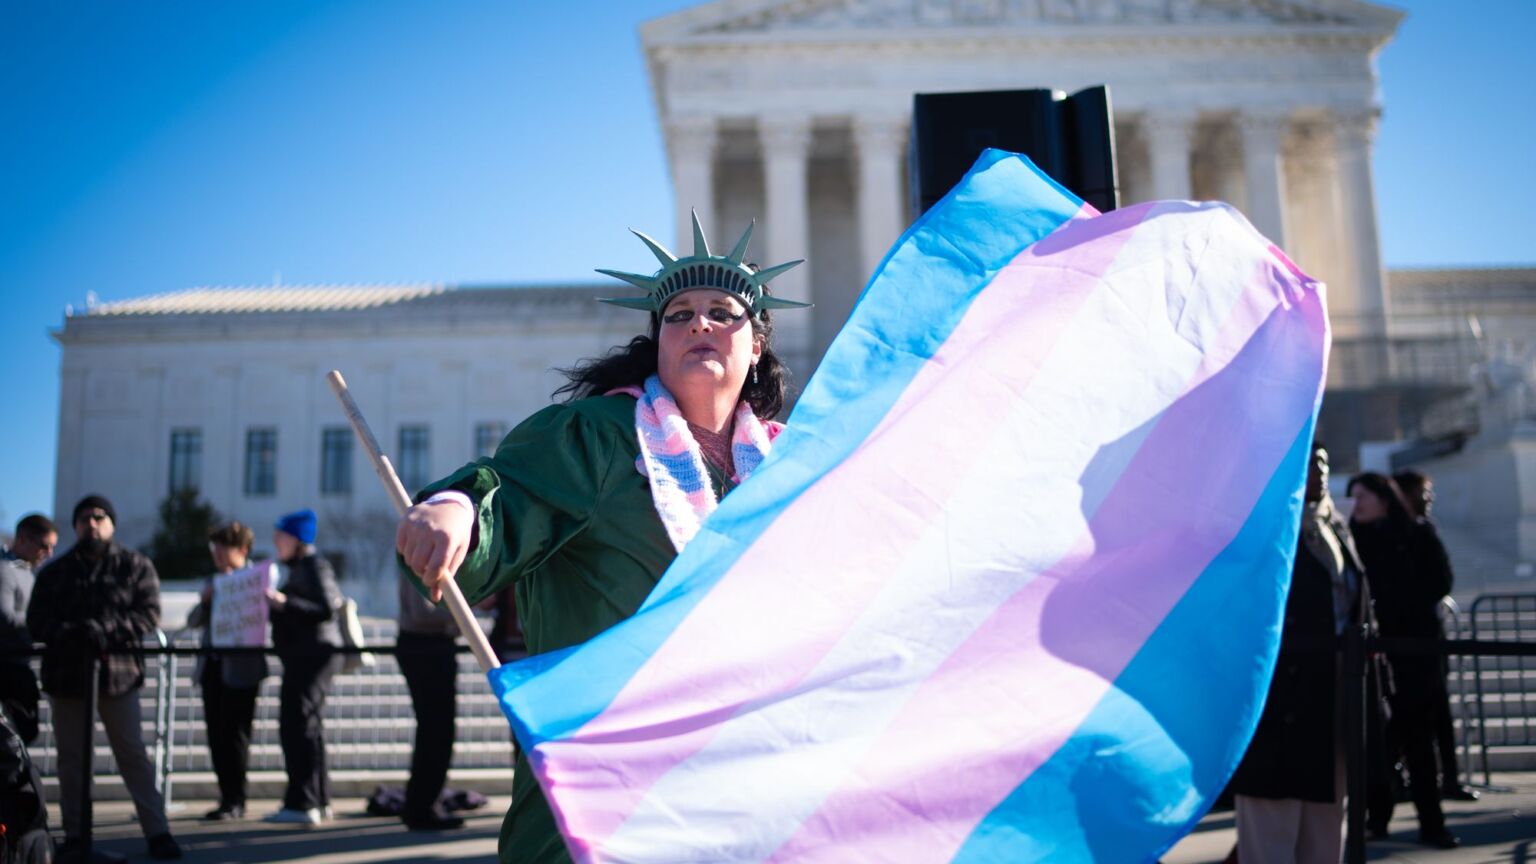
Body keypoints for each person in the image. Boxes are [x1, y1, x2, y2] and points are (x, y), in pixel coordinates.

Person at [396, 214, 805, 864]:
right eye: (679, 315)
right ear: (658, 343)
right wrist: (458, 512)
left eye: (722, 312)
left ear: (756, 344)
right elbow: (512, 492)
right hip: (608, 779)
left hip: (740, 785)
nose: (699, 323)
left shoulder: (793, 467)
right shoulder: (596, 437)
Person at [1230, 444, 1367, 863]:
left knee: (1325, 836)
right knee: (1271, 834)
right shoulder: (1263, 529)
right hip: (1279, 704)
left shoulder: (1334, 528)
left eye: (1323, 463)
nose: (1318, 472)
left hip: (1332, 701)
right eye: (1307, 463)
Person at [25, 495, 182, 860]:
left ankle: (157, 832)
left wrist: (106, 629)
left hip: (119, 675)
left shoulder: (135, 565)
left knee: (132, 754)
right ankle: (77, 836)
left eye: (99, 517)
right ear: (76, 525)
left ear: (111, 522)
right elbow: (37, 622)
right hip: (68, 677)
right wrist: (72, 633)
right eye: (83, 518)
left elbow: (148, 614)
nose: (91, 523)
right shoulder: (56, 572)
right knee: (71, 760)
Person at [1349, 472, 1459, 849]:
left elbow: (1441, 581)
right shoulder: (1350, 539)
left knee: (1417, 739)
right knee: (1378, 744)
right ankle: (1376, 819)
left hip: (1413, 651)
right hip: (1371, 656)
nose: (1356, 504)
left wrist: (1397, 608)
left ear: (1384, 499)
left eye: (1362, 496)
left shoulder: (1416, 534)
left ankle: (1432, 823)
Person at [1392, 468, 1478, 802]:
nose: (1428, 500)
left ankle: (1449, 778)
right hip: (1406, 642)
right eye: (1422, 493)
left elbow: (1443, 579)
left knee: (1439, 714)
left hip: (1429, 639)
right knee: (1412, 717)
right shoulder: (1400, 534)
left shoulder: (1425, 530)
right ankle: (1406, 778)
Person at [184, 521, 269, 820]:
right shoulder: (213, 581)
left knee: (235, 735)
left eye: (224, 548)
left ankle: (236, 798)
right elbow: (192, 620)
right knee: (216, 734)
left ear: (242, 550)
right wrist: (205, 600)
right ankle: (226, 796)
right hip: (213, 667)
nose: (217, 554)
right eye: (214, 548)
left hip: (242, 669)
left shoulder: (255, 580)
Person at [264, 508, 344, 826]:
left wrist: (285, 604)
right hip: (306, 656)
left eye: (280, 537)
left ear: (297, 540)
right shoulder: (302, 566)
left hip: (312, 657)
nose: (276, 543)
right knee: (307, 728)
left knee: (299, 727)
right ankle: (316, 799)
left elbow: (326, 608)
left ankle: (303, 802)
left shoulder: (314, 565)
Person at [396, 566, 464, 830]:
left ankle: (423, 803)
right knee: (436, 731)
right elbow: (422, 614)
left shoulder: (417, 554)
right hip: (428, 647)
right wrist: (462, 615)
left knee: (434, 731)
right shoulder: (421, 557)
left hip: (425, 646)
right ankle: (423, 806)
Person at [0, 514, 56, 743]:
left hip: (18, 665)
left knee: (22, 737)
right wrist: (40, 623)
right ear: (22, 539)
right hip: (7, 668)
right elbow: (3, 616)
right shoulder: (5, 570)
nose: (49, 553)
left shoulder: (25, 571)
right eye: (44, 546)